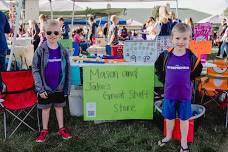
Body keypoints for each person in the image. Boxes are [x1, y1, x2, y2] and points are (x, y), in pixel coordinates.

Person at [155, 23, 202, 152]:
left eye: (184, 39)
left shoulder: (191, 57)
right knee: (169, 117)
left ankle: (183, 142)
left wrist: (188, 79)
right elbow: (158, 67)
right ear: (172, 39)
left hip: (185, 96)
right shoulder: (165, 55)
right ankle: (168, 136)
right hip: (169, 94)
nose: (181, 42)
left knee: (184, 119)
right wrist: (164, 79)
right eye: (177, 38)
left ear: (189, 40)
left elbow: (198, 70)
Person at [32, 20, 72, 143]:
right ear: (44, 33)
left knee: (59, 108)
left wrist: (67, 88)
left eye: (55, 32)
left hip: (59, 86)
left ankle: (61, 128)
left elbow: (68, 69)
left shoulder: (63, 50)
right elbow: (35, 68)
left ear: (60, 33)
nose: (52, 35)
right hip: (45, 87)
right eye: (49, 32)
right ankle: (44, 130)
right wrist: (40, 88)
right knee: (46, 109)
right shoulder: (40, 50)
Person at [0, 11, 10, 90]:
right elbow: (7, 29)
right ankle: (3, 91)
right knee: (2, 72)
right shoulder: (2, 14)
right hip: (2, 45)